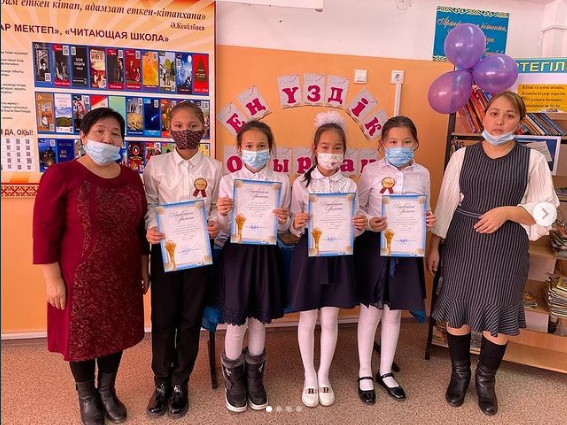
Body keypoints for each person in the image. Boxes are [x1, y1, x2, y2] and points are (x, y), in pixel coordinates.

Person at [425, 91, 560, 416]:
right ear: (483, 117)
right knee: (457, 310)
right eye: (494, 113)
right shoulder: (462, 156)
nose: (500, 121)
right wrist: (434, 246)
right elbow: (446, 203)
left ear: (520, 121)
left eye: (509, 115)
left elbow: (546, 211)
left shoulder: (532, 160)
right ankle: (460, 374)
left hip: (506, 246)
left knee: (497, 315)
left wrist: (509, 212)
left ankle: (485, 380)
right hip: (463, 242)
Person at [33, 107, 149, 425]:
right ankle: (86, 396)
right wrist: (52, 279)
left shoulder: (131, 178)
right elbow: (44, 231)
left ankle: (107, 391)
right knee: (82, 339)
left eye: (115, 133)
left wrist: (143, 265)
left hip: (122, 273)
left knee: (115, 332)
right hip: (78, 277)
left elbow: (140, 227)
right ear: (83, 136)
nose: (107, 138)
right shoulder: (61, 175)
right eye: (99, 131)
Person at [143, 101, 222, 419]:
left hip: (199, 252)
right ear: (169, 128)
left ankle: (180, 381)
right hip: (165, 251)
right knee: (163, 318)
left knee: (190, 318)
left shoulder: (215, 168)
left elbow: (217, 206)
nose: (185, 131)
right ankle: (161, 381)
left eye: (192, 126)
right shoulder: (156, 165)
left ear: (204, 127)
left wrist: (215, 222)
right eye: (178, 125)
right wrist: (152, 227)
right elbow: (150, 204)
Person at [288, 110, 368, 408]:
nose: (330, 153)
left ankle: (324, 374)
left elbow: (355, 228)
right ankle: (308, 375)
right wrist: (297, 222)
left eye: (337, 148)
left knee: (331, 318)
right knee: (308, 318)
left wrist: (359, 226)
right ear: (314, 149)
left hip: (338, 256)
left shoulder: (350, 186)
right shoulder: (300, 184)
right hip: (309, 255)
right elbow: (291, 227)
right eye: (325, 147)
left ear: (344, 152)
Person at [355, 116, 436, 405]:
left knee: (394, 312)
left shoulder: (422, 174)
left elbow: (425, 209)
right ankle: (365, 371)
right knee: (371, 312)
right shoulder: (371, 171)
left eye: (406, 141)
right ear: (382, 144)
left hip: (406, 250)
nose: (399, 146)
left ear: (416, 143)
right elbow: (358, 208)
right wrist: (368, 221)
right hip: (374, 248)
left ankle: (385, 371)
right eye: (393, 141)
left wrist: (428, 220)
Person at [215, 120, 291, 412]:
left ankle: (254, 379)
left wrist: (283, 219)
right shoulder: (229, 180)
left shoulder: (282, 180)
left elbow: (283, 228)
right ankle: (234, 381)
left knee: (259, 318)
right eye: (249, 145)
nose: (255, 151)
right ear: (239, 148)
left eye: (261, 146)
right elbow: (224, 227)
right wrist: (223, 214)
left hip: (266, 254)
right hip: (237, 255)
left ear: (270, 149)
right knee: (236, 321)